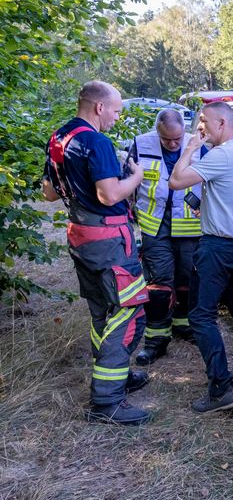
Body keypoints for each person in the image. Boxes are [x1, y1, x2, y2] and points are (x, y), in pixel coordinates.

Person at [42, 81, 151, 425]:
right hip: (109, 242)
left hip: (81, 235)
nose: (118, 118)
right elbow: (109, 194)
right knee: (128, 313)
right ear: (99, 107)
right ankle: (107, 400)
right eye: (117, 110)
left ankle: (113, 374)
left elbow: (47, 193)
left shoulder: (61, 138)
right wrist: (136, 177)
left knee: (102, 309)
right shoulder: (96, 141)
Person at [168, 101, 233, 413]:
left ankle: (221, 389)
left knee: (200, 315)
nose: (200, 128)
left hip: (217, 247)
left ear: (222, 123)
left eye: (205, 122)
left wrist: (190, 148)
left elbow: (176, 181)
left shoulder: (221, 155)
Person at [131, 108, 207, 365]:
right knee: (159, 284)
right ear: (157, 132)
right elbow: (127, 181)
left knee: (187, 279)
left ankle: (183, 324)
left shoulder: (199, 146)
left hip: (189, 227)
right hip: (155, 228)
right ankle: (156, 340)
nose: (174, 144)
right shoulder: (140, 145)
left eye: (178, 139)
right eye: (167, 140)